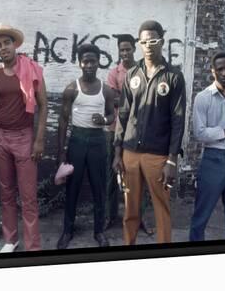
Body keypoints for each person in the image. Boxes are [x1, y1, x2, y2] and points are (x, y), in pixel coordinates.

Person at [113, 20, 186, 244]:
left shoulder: (173, 76)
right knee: (130, 208)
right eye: (143, 41)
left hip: (158, 155)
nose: (148, 45)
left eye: (153, 40)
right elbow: (123, 115)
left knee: (161, 208)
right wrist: (117, 152)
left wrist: (172, 161)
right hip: (130, 153)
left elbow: (178, 120)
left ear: (161, 41)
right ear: (139, 43)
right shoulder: (131, 74)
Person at [0, 23, 48, 252]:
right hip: (0, 137)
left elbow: (44, 106)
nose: (3, 48)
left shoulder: (32, 69)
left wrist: (39, 140)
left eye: (6, 43)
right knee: (6, 192)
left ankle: (33, 246)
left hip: (24, 138)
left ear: (14, 44)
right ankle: (11, 240)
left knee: (28, 196)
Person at [56, 43, 115, 249]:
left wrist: (105, 120)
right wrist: (61, 150)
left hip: (98, 141)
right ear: (80, 63)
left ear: (99, 62)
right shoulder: (72, 88)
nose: (89, 65)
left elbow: (112, 115)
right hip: (78, 140)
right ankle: (67, 231)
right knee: (73, 187)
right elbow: (63, 120)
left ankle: (99, 231)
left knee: (99, 188)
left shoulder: (106, 90)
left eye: (93, 61)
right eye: (85, 61)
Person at [105, 36, 153, 235]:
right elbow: (112, 100)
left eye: (127, 49)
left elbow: (149, 98)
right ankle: (110, 216)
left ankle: (139, 218)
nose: (124, 53)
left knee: (139, 178)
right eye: (121, 50)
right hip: (115, 130)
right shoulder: (114, 73)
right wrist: (132, 98)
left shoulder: (144, 70)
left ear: (135, 49)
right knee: (111, 177)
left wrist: (124, 99)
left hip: (140, 133)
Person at [190, 52, 225, 241]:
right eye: (220, 69)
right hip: (214, 159)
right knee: (201, 217)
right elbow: (200, 133)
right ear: (212, 71)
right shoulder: (203, 97)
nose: (224, 73)